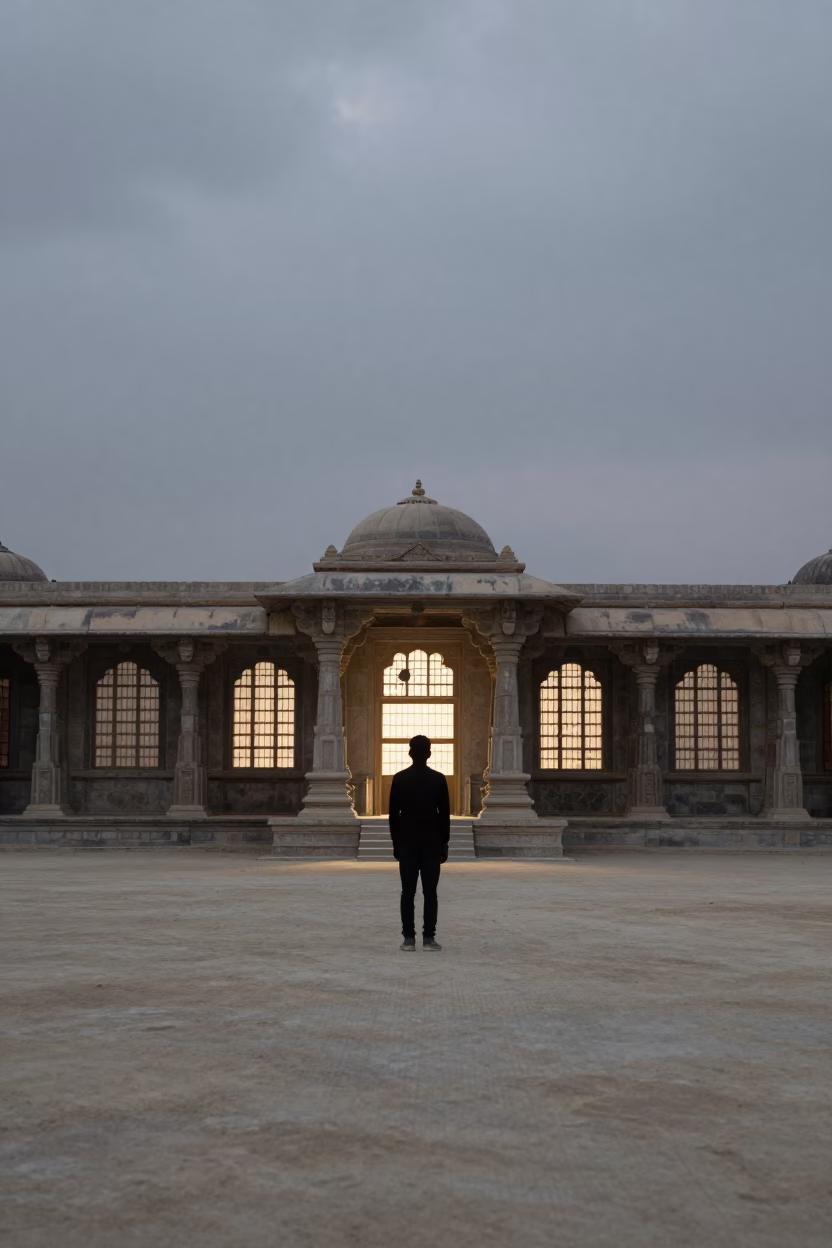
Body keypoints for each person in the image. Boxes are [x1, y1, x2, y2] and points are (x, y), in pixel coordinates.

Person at [388, 734, 451, 951]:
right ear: (429, 754)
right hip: (432, 841)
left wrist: (395, 842)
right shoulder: (439, 779)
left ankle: (408, 939)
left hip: (407, 840)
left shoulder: (399, 778)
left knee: (408, 892)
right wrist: (445, 843)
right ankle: (429, 939)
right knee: (430, 892)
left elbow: (394, 815)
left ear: (410, 753)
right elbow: (444, 815)